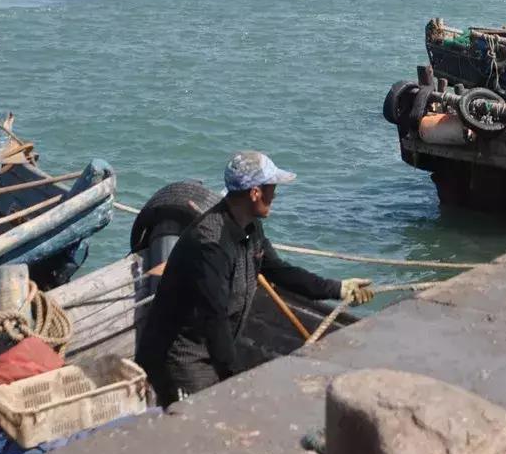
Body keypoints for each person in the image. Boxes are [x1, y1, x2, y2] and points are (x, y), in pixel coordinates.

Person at [137, 150, 373, 406]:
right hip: (184, 359)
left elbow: (280, 271)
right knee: (197, 427)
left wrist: (337, 288)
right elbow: (214, 316)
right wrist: (235, 377)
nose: (276, 193)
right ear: (255, 193)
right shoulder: (211, 244)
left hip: (211, 350)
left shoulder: (249, 227)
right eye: (272, 187)